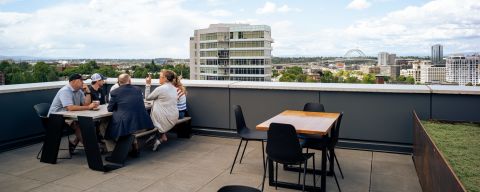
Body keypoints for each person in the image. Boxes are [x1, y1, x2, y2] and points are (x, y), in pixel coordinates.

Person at [48, 74, 99, 154]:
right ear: (74, 81)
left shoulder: (79, 91)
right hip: (56, 118)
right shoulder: (65, 91)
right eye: (81, 80)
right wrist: (89, 107)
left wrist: (88, 92)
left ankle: (75, 143)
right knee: (79, 125)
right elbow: (70, 108)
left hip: (68, 116)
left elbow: (85, 104)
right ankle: (92, 149)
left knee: (86, 123)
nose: (83, 82)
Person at [107, 74, 154, 151]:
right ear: (129, 81)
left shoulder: (115, 92)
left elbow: (110, 109)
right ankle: (131, 146)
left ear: (118, 82)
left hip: (127, 127)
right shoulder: (138, 89)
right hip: (143, 125)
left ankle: (114, 151)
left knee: (105, 127)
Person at [145, 70, 179, 148]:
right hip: (173, 117)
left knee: (148, 117)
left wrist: (148, 84)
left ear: (165, 78)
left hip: (165, 118)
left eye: (160, 77)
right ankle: (160, 138)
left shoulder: (160, 88)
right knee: (158, 113)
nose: (159, 79)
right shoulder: (174, 88)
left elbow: (147, 98)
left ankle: (153, 136)